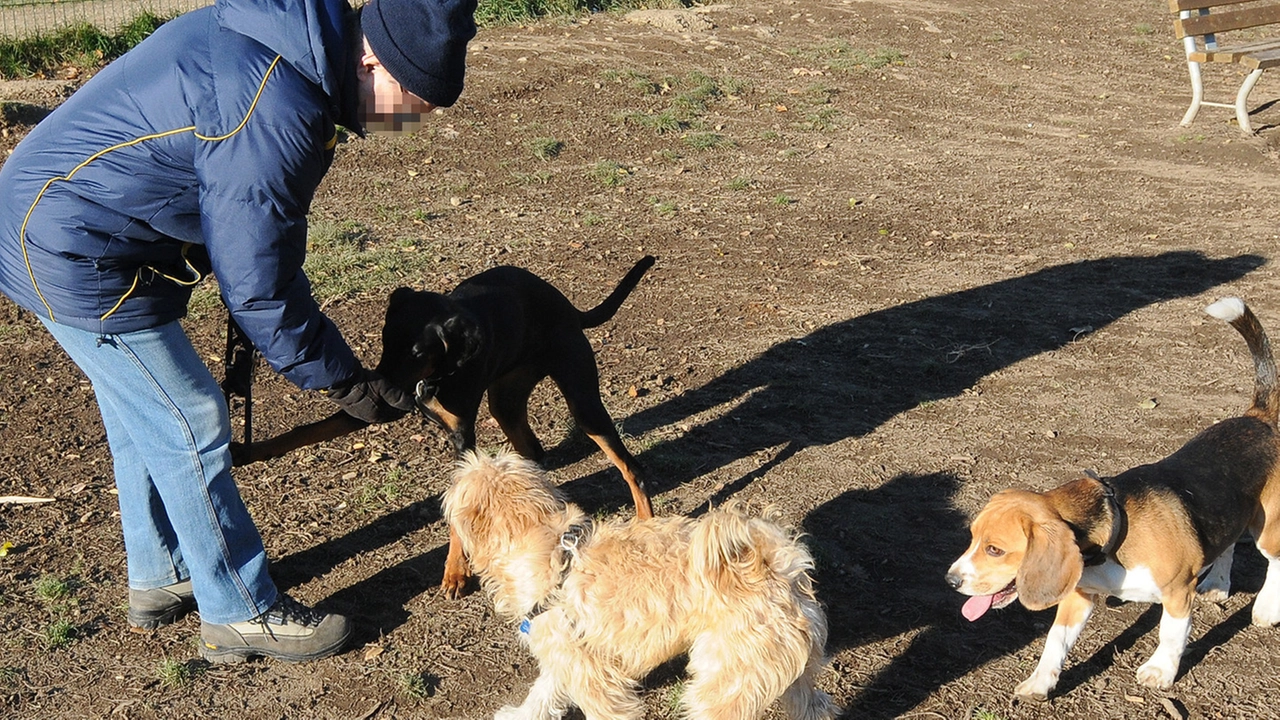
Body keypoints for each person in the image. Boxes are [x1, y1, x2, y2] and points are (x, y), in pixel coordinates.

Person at [0, 0, 477, 663]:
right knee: (190, 417)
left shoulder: (293, 56)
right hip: (67, 243)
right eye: (411, 104)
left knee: (148, 410)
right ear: (372, 59)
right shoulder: (277, 105)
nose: (405, 123)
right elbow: (260, 286)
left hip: (90, 228)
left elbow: (257, 242)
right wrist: (348, 384)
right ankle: (239, 610)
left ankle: (162, 573)